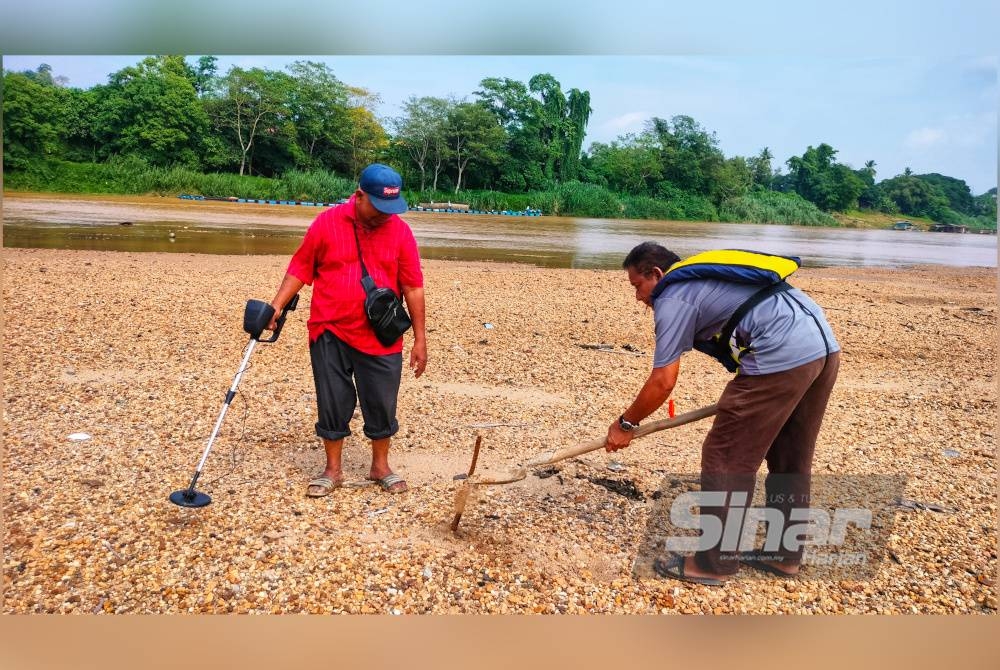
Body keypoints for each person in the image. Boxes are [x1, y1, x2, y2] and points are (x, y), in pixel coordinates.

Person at [605, 242, 840, 585]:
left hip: (781, 353)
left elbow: (662, 382)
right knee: (791, 458)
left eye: (637, 286)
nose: (638, 297)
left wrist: (626, 423)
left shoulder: (673, 296)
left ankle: (714, 564)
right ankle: (785, 556)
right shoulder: (705, 281)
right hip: (823, 348)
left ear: (656, 274)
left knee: (726, 457)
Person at [267, 163, 427, 497]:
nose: (386, 215)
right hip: (330, 328)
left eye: (391, 209)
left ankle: (380, 466)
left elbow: (413, 286)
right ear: (359, 196)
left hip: (380, 335)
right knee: (333, 399)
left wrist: (421, 339)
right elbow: (300, 267)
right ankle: (332, 470)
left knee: (382, 402)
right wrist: (277, 305)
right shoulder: (326, 223)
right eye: (379, 207)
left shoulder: (400, 232)